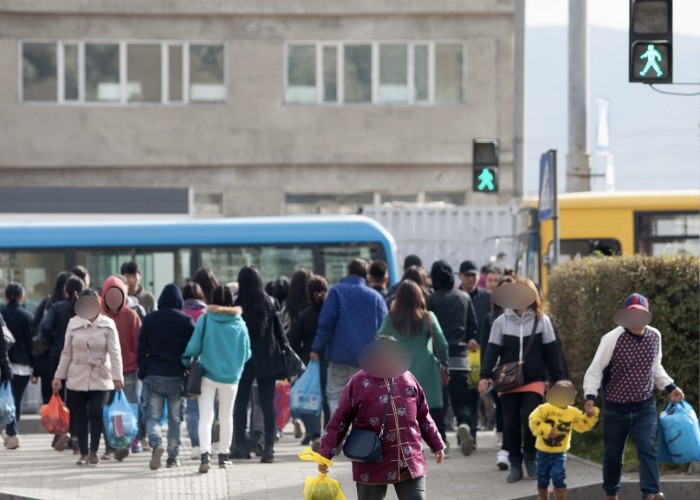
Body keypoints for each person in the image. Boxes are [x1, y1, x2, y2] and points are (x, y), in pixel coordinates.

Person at [318, 336, 445, 500]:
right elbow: (339, 420)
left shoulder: (408, 378)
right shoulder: (359, 381)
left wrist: (437, 444)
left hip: (408, 458)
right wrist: (325, 454)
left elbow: (423, 415)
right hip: (371, 459)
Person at [583, 293, 683, 500]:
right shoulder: (612, 338)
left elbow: (655, 367)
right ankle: (611, 493)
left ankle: (651, 493)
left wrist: (670, 386)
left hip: (644, 407)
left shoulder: (655, 336)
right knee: (613, 457)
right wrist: (590, 396)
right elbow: (595, 370)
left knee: (647, 448)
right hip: (615, 409)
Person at [479, 278, 564, 483]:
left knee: (530, 420)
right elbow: (491, 351)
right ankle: (515, 463)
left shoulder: (542, 321)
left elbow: (552, 353)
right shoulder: (501, 321)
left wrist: (559, 379)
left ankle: (530, 458)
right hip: (508, 381)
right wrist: (484, 375)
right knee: (511, 424)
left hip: (534, 379)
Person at [53, 289, 124, 466]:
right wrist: (58, 377)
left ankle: (94, 451)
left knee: (96, 412)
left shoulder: (108, 324)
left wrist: (118, 377)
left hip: (102, 376)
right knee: (80, 415)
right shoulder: (73, 323)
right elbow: (66, 352)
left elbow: (115, 353)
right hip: (77, 376)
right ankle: (83, 452)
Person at [310, 259, 388, 415]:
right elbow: (385, 329)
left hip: (339, 358)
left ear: (348, 272)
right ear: (366, 275)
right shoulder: (376, 297)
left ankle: (341, 430)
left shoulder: (336, 292)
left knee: (335, 396)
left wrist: (316, 348)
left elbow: (326, 324)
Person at [376, 281, 449, 447]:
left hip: (400, 369)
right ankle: (440, 442)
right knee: (433, 407)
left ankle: (407, 443)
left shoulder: (391, 318)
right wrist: (444, 363)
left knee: (402, 408)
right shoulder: (427, 317)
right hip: (427, 367)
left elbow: (379, 339)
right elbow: (442, 344)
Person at [231, 267, 286, 463]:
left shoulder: (237, 304)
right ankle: (269, 448)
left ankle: (240, 446)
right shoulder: (270, 302)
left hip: (243, 360)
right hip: (268, 360)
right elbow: (280, 334)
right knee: (266, 403)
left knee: (240, 403)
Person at [138, 284, 195, 470]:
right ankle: (172, 458)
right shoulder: (186, 321)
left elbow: (141, 349)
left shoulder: (150, 319)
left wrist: (144, 371)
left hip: (154, 374)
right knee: (175, 419)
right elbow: (192, 350)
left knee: (152, 417)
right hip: (177, 377)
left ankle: (156, 443)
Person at [426, 260, 479, 456]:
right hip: (460, 357)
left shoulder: (431, 300)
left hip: (437, 359)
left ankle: (441, 443)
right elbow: (473, 327)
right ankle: (464, 424)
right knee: (461, 399)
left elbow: (427, 329)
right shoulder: (464, 297)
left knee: (438, 403)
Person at [529, 380, 600, 500]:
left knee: (558, 476)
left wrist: (590, 415)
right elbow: (533, 420)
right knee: (542, 476)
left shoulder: (573, 412)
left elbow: (582, 426)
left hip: (559, 452)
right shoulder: (544, 408)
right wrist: (546, 430)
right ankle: (542, 497)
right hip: (543, 451)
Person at [40, 275, 85, 452]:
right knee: (75, 399)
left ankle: (59, 433)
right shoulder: (83, 309)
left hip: (57, 356)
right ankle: (75, 437)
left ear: (65, 290)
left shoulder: (56, 307)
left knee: (58, 396)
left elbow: (45, 327)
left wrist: (55, 339)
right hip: (76, 359)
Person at [100, 275, 142, 460]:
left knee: (114, 410)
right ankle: (122, 444)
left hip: (115, 372)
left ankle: (117, 445)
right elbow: (138, 344)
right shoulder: (131, 316)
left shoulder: (99, 317)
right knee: (124, 409)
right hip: (123, 371)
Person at [479, 273, 517, 471]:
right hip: (498, 371)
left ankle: (510, 446)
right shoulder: (491, 318)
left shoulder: (525, 318)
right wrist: (486, 374)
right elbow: (487, 347)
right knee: (502, 407)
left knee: (513, 410)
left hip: (519, 372)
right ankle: (503, 441)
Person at [288, 275, 329, 450]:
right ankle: (329, 434)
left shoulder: (303, 315)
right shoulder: (332, 313)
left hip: (308, 361)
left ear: (308, 293)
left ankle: (314, 434)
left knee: (311, 397)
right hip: (329, 359)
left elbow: (294, 342)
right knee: (328, 398)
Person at [31, 271, 73, 407]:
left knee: (48, 398)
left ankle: (51, 426)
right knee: (68, 397)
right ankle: (67, 425)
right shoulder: (74, 307)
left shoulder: (48, 302)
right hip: (68, 358)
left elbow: (36, 326)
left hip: (46, 358)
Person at [1, 283, 34, 450]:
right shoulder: (28, 316)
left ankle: (11, 432)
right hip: (24, 367)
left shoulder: (2, 314)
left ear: (6, 297)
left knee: (7, 398)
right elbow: (32, 344)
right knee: (16, 400)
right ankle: (12, 432)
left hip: (4, 365)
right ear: (21, 297)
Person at [284, 269, 312, 439]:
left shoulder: (288, 305)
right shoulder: (312, 305)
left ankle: (296, 418)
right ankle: (311, 429)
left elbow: (284, 329)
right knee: (310, 390)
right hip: (310, 352)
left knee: (295, 388)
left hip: (293, 353)